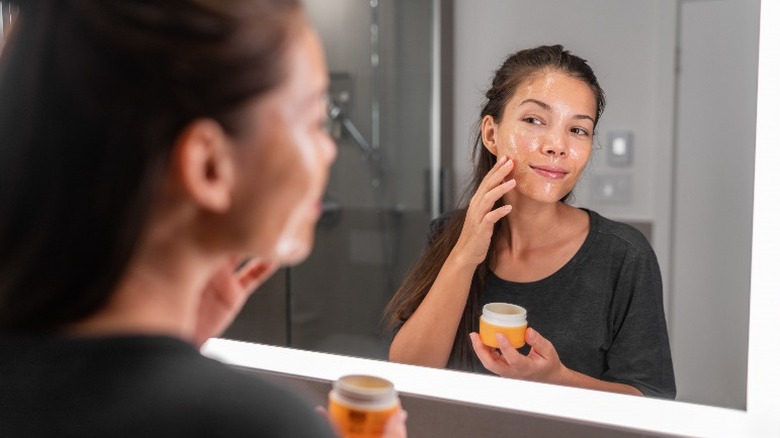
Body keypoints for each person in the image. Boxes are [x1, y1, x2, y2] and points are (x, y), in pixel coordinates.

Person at [0, 0, 405, 436]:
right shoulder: (258, 425)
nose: (327, 150)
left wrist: (176, 345)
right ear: (208, 165)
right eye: (312, 120)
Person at [385, 45, 676, 399]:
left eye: (578, 130)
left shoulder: (625, 256)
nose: (557, 145)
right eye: (535, 120)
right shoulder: (448, 234)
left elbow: (653, 400)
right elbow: (406, 375)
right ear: (491, 134)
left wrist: (557, 379)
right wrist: (464, 255)